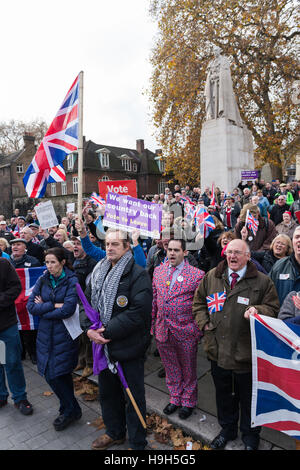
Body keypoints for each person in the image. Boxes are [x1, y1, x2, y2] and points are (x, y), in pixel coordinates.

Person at [192, 239, 279, 450]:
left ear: (248, 256)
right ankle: (227, 430)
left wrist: (259, 310)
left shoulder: (262, 282)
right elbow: (198, 303)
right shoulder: (212, 276)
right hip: (217, 352)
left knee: (248, 400)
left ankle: (250, 437)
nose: (232, 256)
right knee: (223, 397)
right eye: (229, 252)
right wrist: (205, 325)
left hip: (246, 355)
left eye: (238, 253)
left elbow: (273, 308)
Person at [79, 229, 152, 450]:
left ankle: (138, 442)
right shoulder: (98, 270)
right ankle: (115, 432)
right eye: (107, 244)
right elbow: (87, 304)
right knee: (108, 394)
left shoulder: (138, 274)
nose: (109, 248)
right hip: (103, 348)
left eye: (115, 244)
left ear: (127, 247)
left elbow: (138, 312)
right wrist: (88, 330)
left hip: (128, 347)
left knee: (133, 397)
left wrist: (105, 331)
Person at [27, 247, 81, 431]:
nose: (49, 266)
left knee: (58, 374)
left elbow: (68, 309)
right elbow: (31, 306)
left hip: (64, 335)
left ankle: (70, 409)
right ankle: (70, 407)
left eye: (53, 262)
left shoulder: (72, 281)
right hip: (45, 335)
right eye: (47, 262)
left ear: (62, 262)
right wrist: (53, 305)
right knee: (54, 375)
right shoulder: (43, 279)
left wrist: (45, 308)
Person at [152, 239, 204, 420]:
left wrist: (197, 331)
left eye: (176, 250)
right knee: (170, 367)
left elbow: (201, 306)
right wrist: (153, 326)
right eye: (169, 250)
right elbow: (154, 301)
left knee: (188, 369)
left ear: (185, 252)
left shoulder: (197, 275)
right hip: (162, 330)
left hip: (186, 331)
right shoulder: (158, 272)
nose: (171, 253)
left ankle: (188, 400)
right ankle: (175, 397)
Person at [0, 258, 33, 415]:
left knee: (12, 362)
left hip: (6, 325)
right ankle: (1, 396)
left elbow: (15, 288)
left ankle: (20, 397)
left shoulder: (3, 264)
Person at [72, 236, 97, 378]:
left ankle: (90, 363)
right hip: (75, 303)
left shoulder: (92, 263)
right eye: (74, 243)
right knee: (79, 335)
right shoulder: (73, 261)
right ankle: (81, 360)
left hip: (87, 304)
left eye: (79, 244)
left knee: (87, 336)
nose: (75, 246)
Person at [269, 226, 300, 305]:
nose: (299, 240)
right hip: (280, 316)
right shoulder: (279, 266)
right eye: (297, 237)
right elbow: (266, 294)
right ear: (293, 242)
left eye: (282, 244)